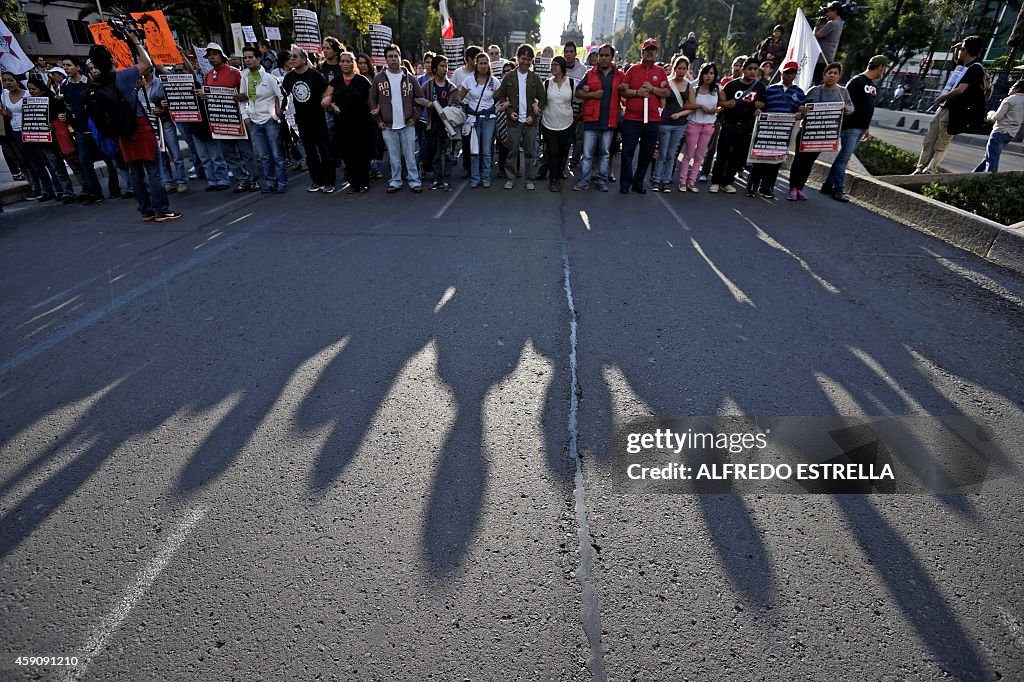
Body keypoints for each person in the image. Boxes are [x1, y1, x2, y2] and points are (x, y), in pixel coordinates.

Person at [88, 37, 181, 221]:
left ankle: (145, 211)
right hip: (139, 126)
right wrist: (134, 41)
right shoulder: (123, 76)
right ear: (112, 61)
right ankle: (161, 209)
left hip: (121, 132)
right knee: (154, 171)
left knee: (135, 172)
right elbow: (146, 63)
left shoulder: (97, 85)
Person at [914, 35, 987, 175]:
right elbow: (956, 63)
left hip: (954, 110)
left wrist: (942, 98)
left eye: (962, 49)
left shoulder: (975, 69)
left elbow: (961, 89)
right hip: (944, 107)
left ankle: (930, 170)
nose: (959, 51)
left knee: (942, 142)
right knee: (929, 139)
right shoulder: (963, 66)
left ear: (966, 50)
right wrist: (956, 50)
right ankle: (919, 168)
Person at [822, 54, 886, 202]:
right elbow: (845, 101)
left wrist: (866, 127)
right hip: (850, 127)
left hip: (861, 128)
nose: (883, 71)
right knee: (844, 157)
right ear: (880, 67)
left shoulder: (872, 84)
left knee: (843, 157)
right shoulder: (857, 81)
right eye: (883, 68)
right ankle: (838, 189)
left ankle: (828, 185)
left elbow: (868, 107)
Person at [60, 55, 122, 202]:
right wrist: (67, 117)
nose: (66, 68)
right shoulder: (65, 85)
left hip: (98, 128)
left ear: (77, 67)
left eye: (68, 65)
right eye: (64, 65)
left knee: (109, 158)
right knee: (84, 162)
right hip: (81, 131)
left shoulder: (90, 82)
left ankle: (115, 189)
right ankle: (96, 193)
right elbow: (68, 106)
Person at [787, 61, 853, 200]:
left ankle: (800, 187)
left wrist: (847, 109)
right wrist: (803, 110)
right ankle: (792, 188)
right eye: (830, 73)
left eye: (835, 73)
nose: (832, 76)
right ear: (824, 75)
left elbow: (851, 108)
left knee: (809, 162)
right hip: (806, 132)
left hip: (823, 135)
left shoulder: (843, 92)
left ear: (839, 76)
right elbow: (801, 105)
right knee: (799, 160)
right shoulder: (814, 90)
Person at [201, 42, 259, 192]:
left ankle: (253, 179)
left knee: (246, 152)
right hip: (220, 121)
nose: (212, 58)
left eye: (214, 54)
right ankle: (242, 179)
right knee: (228, 154)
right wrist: (205, 96)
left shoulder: (235, 72)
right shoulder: (207, 76)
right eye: (209, 56)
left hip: (238, 118)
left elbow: (248, 93)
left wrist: (243, 96)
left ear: (222, 55)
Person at [369, 43, 424, 193]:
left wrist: (415, 117)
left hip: (407, 124)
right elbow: (372, 100)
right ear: (385, 59)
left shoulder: (410, 78)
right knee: (394, 157)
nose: (393, 59)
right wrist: (379, 121)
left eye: (396, 56)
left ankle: (414, 181)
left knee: (410, 156)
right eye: (390, 56)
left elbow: (420, 99)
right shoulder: (378, 79)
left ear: (400, 58)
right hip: (387, 125)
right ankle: (395, 181)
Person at [747, 60, 805, 199]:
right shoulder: (770, 89)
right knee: (759, 158)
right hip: (766, 129)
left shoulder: (799, 92)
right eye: (787, 72)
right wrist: (759, 109)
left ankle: (767, 187)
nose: (789, 75)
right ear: (781, 73)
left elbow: (801, 111)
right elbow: (762, 105)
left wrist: (800, 113)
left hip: (783, 131)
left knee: (775, 161)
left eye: (792, 73)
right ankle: (752, 186)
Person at [618, 38, 668, 194]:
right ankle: (625, 183)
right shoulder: (632, 70)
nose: (649, 52)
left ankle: (638, 182)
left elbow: (666, 92)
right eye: (647, 50)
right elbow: (622, 90)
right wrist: (637, 92)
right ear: (642, 52)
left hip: (652, 120)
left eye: (652, 50)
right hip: (632, 119)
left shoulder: (660, 72)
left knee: (646, 153)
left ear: (656, 53)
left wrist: (652, 89)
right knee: (627, 152)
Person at [709, 57, 765, 194]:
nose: (752, 72)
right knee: (722, 155)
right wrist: (726, 104)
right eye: (750, 69)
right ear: (743, 70)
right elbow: (720, 102)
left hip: (747, 128)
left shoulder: (760, 87)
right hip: (729, 125)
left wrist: (760, 107)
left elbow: (764, 103)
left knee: (738, 158)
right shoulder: (731, 85)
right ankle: (716, 182)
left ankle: (728, 182)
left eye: (755, 69)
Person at [283, 47, 335, 191]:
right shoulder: (289, 77)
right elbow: (283, 95)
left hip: (318, 119)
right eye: (290, 57)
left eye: (295, 56)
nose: (292, 59)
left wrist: (328, 101)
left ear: (304, 59)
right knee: (310, 153)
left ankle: (329, 182)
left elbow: (328, 91)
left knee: (324, 151)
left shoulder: (315, 76)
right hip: (301, 121)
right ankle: (317, 181)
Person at [496, 44, 546, 190]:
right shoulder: (509, 76)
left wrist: (534, 112)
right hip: (513, 121)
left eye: (529, 59)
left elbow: (542, 99)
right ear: (517, 59)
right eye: (523, 58)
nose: (525, 62)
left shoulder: (535, 78)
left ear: (532, 61)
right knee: (512, 150)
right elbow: (501, 95)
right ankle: (510, 177)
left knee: (530, 152)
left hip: (530, 121)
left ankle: (529, 179)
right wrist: (509, 109)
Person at [322, 51, 373, 193]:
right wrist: (332, 106)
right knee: (347, 154)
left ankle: (364, 182)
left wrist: (376, 112)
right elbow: (325, 99)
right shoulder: (336, 81)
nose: (345, 64)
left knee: (362, 154)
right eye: (342, 61)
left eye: (348, 61)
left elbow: (372, 99)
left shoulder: (362, 81)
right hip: (342, 124)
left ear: (353, 63)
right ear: (340, 64)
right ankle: (353, 183)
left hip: (361, 124)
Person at [574, 44, 623, 192]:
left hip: (609, 121)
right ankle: (583, 181)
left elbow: (627, 92)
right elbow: (578, 93)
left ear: (612, 58)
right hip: (591, 120)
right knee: (587, 154)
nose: (603, 58)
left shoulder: (619, 75)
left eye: (607, 55)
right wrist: (592, 95)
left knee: (605, 154)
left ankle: (601, 180)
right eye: (601, 55)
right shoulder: (590, 74)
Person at [240, 45, 287, 193]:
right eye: (245, 58)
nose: (248, 60)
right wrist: (245, 116)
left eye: (251, 57)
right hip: (255, 122)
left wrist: (278, 113)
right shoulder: (244, 78)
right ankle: (270, 182)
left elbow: (282, 96)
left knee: (276, 155)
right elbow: (243, 99)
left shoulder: (269, 78)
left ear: (258, 58)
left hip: (270, 121)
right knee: (264, 156)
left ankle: (282, 183)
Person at [24, 76, 77, 202]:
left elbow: (65, 116)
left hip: (60, 139)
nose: (31, 92)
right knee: (57, 167)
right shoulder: (30, 105)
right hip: (45, 141)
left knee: (73, 163)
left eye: (33, 89)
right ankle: (67, 192)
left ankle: (86, 188)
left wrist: (55, 122)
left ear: (42, 90)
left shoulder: (55, 101)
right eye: (29, 89)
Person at [698, 55, 746, 182]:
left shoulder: (749, 85)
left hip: (735, 122)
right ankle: (705, 171)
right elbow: (721, 101)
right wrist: (719, 108)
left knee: (728, 152)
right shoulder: (725, 82)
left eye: (740, 66)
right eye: (736, 65)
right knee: (711, 148)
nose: (737, 68)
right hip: (719, 118)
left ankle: (726, 176)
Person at [459, 51, 502, 188]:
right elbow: (459, 97)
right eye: (481, 63)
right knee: (474, 149)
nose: (483, 66)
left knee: (486, 150)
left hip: (489, 118)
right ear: (476, 65)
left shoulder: (494, 82)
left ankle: (486, 177)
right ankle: (475, 177)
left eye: (485, 63)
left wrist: (503, 105)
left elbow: (502, 98)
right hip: (473, 119)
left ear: (488, 65)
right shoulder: (468, 80)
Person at [144, 68, 189, 194]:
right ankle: (168, 182)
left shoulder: (160, 83)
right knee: (161, 154)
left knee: (175, 153)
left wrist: (163, 109)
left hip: (165, 121)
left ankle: (181, 181)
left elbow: (172, 98)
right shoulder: (137, 86)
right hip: (152, 125)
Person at [679, 62, 721, 192]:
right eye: (706, 73)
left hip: (708, 125)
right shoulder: (694, 88)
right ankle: (682, 181)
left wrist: (715, 110)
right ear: (701, 74)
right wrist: (700, 107)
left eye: (711, 73)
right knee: (688, 154)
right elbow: (685, 105)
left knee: (699, 156)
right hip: (693, 124)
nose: (708, 76)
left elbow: (723, 105)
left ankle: (692, 182)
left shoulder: (717, 90)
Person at [419, 54, 458, 191]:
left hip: (447, 126)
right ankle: (437, 179)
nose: (444, 69)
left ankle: (447, 180)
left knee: (447, 154)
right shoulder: (428, 85)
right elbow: (417, 98)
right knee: (435, 154)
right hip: (433, 124)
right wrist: (428, 104)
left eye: (446, 66)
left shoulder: (451, 87)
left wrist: (451, 107)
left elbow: (456, 103)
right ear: (435, 68)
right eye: (441, 66)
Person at [652, 56, 691, 192]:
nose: (681, 71)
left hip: (680, 124)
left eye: (684, 69)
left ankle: (667, 180)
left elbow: (691, 106)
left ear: (687, 70)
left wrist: (680, 114)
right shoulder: (667, 83)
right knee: (662, 153)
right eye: (679, 68)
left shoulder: (688, 85)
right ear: (674, 68)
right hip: (665, 122)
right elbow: (662, 102)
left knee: (672, 154)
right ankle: (656, 179)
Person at [540, 56, 577, 191]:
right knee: (553, 151)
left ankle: (559, 171)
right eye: (552, 65)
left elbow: (581, 96)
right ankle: (553, 179)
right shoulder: (547, 84)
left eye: (556, 65)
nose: (553, 67)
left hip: (567, 123)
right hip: (549, 122)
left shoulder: (572, 83)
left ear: (562, 67)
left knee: (562, 151)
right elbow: (540, 99)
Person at [974, 79, 1023, 173]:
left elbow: (997, 117)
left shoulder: (1010, 99)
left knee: (992, 158)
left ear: (1018, 89)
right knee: (989, 156)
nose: (1010, 89)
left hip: (1000, 131)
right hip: (1011, 133)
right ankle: (973, 175)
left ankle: (991, 180)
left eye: (1012, 87)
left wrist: (990, 114)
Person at [458, 44, 484, 177]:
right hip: (465, 111)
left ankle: (480, 167)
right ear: (469, 59)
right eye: (476, 58)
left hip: (480, 111)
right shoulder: (459, 73)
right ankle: (467, 167)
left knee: (480, 140)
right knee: (466, 140)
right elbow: (454, 92)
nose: (479, 62)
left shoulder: (482, 74)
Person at [814, 3, 845, 84]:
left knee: (817, 81)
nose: (827, 14)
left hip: (822, 57)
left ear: (834, 11)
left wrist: (817, 26)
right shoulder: (840, 23)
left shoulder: (831, 23)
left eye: (828, 11)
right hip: (829, 56)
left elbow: (816, 36)